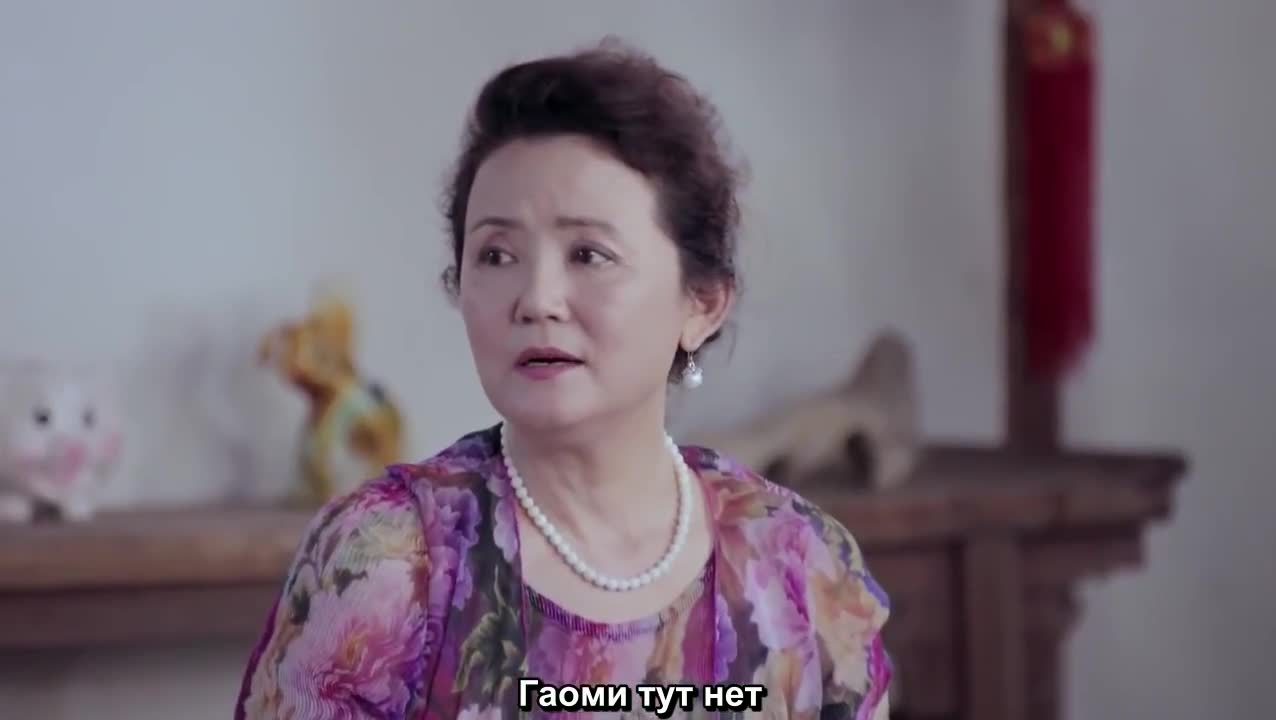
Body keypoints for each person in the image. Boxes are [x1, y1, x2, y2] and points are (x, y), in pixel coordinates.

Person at [236, 39, 892, 720]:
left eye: (588, 253)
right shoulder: (389, 563)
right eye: (496, 255)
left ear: (701, 303)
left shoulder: (797, 566)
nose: (537, 299)